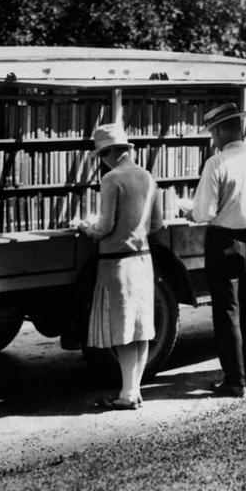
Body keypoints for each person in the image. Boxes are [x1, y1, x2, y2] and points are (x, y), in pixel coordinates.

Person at [188, 103, 246, 397]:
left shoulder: (217, 164)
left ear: (218, 131)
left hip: (224, 242)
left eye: (213, 132)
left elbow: (204, 212)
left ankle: (234, 380)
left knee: (227, 312)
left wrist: (190, 210)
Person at [78, 123, 162, 410]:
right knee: (141, 327)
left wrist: (85, 226)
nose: (101, 161)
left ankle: (127, 394)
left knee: (124, 328)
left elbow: (104, 227)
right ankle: (134, 390)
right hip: (143, 258)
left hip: (116, 263)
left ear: (111, 153)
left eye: (102, 155)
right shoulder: (148, 176)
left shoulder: (112, 179)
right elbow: (157, 224)